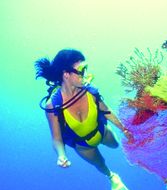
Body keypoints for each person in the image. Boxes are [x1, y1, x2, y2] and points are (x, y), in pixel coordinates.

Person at [34, 49, 132, 181]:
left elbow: (107, 111)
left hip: (103, 132)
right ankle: (112, 177)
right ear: (66, 74)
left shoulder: (90, 91)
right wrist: (61, 156)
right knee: (101, 164)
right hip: (84, 147)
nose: (85, 74)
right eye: (82, 69)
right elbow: (57, 138)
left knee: (115, 145)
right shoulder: (53, 105)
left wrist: (123, 129)